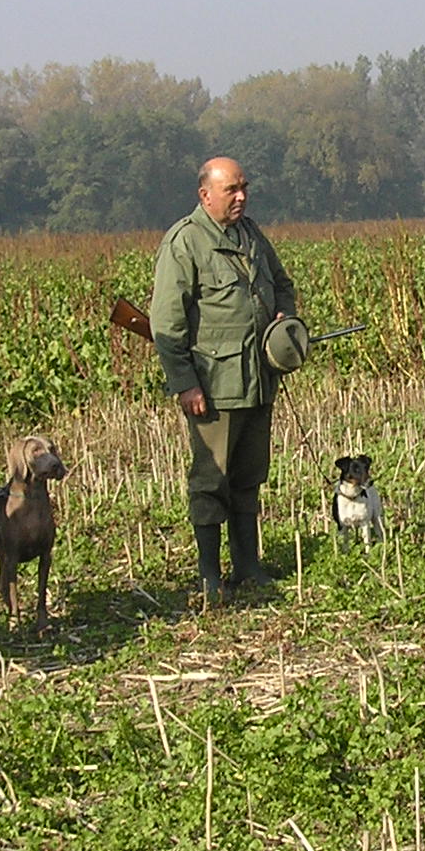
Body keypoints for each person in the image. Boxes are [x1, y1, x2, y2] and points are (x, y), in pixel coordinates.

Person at [149, 156, 300, 600]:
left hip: (257, 379)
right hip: (214, 386)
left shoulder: (251, 234)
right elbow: (166, 323)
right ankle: (209, 575)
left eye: (244, 187)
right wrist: (185, 382)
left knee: (249, 477)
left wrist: (284, 321)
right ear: (205, 195)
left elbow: (282, 284)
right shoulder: (184, 243)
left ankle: (248, 567)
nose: (241, 196)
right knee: (211, 481)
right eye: (231, 189)